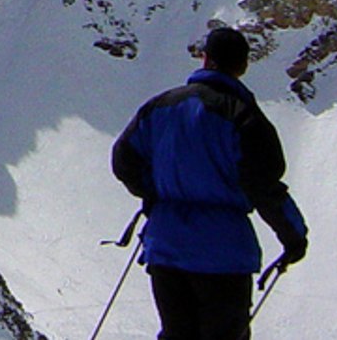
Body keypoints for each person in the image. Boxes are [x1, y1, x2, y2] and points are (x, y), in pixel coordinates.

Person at [112, 26, 308, 340]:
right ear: (243, 66)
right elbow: (264, 186)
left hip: (167, 247)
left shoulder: (161, 107)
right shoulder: (245, 118)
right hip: (223, 255)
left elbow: (124, 161)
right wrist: (294, 237)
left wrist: (157, 198)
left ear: (205, 59)